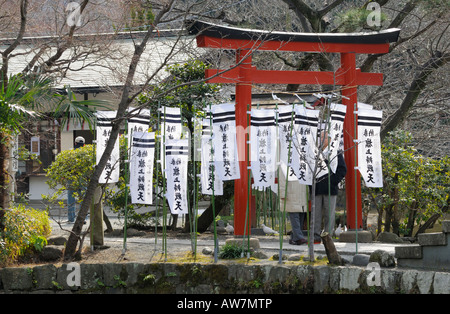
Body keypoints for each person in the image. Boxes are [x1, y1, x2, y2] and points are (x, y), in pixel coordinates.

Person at [312, 132, 347, 244]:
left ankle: (328, 237)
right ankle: (316, 237)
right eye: (321, 137)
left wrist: (333, 181)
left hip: (330, 189)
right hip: (316, 189)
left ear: (330, 139)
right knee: (316, 215)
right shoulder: (315, 152)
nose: (322, 139)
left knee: (329, 215)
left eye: (324, 137)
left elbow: (342, 169)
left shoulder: (335, 152)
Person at [279, 167, 308, 245]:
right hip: (290, 192)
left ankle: (294, 238)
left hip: (302, 193)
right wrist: (282, 192)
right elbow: (282, 178)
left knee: (301, 215)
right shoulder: (285, 160)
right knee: (294, 215)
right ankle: (299, 237)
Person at [67, 136, 85, 223]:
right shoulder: (86, 153)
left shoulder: (70, 152)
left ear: (75, 143)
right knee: (83, 199)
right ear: (84, 145)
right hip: (82, 178)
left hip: (71, 178)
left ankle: (71, 218)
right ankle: (82, 219)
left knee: (71, 198)